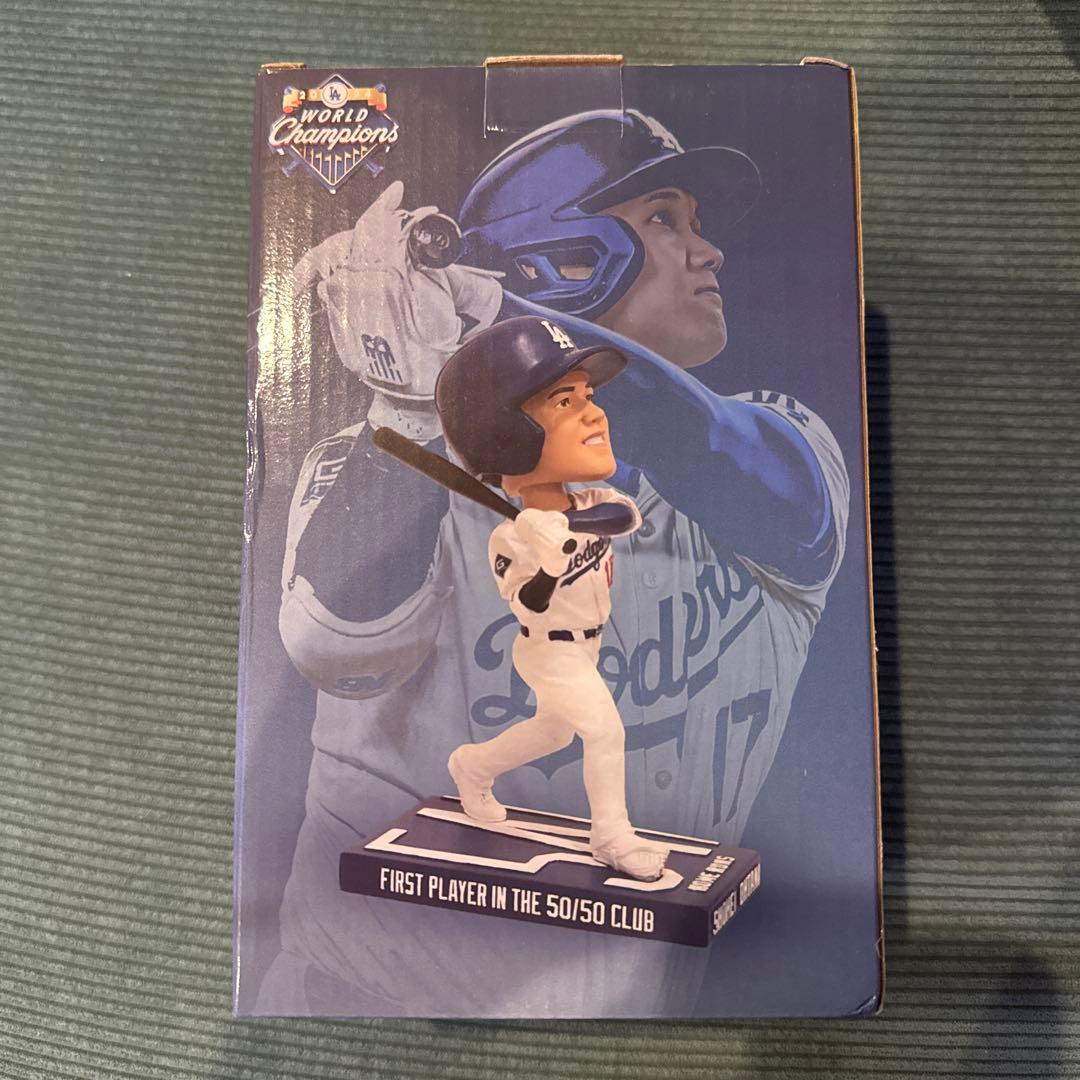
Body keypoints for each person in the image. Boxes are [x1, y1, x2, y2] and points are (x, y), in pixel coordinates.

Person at [255, 109, 850, 1017]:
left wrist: (499, 324)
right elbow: (336, 650)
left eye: (696, 221)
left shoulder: (784, 443)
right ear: (560, 259)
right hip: (358, 1014)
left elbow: (728, 461)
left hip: (616, 1029)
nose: (710, 250)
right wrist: (413, 409)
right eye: (664, 219)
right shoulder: (382, 460)